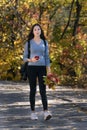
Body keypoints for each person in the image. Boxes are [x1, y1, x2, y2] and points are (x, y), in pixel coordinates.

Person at [23, 23, 52, 120]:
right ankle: (33, 112)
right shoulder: (29, 43)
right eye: (35, 29)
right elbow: (24, 58)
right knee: (33, 90)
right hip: (31, 68)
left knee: (43, 90)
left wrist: (49, 71)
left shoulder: (44, 42)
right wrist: (31, 60)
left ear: (41, 31)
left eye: (38, 29)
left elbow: (47, 57)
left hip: (42, 68)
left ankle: (46, 112)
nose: (37, 31)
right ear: (33, 31)